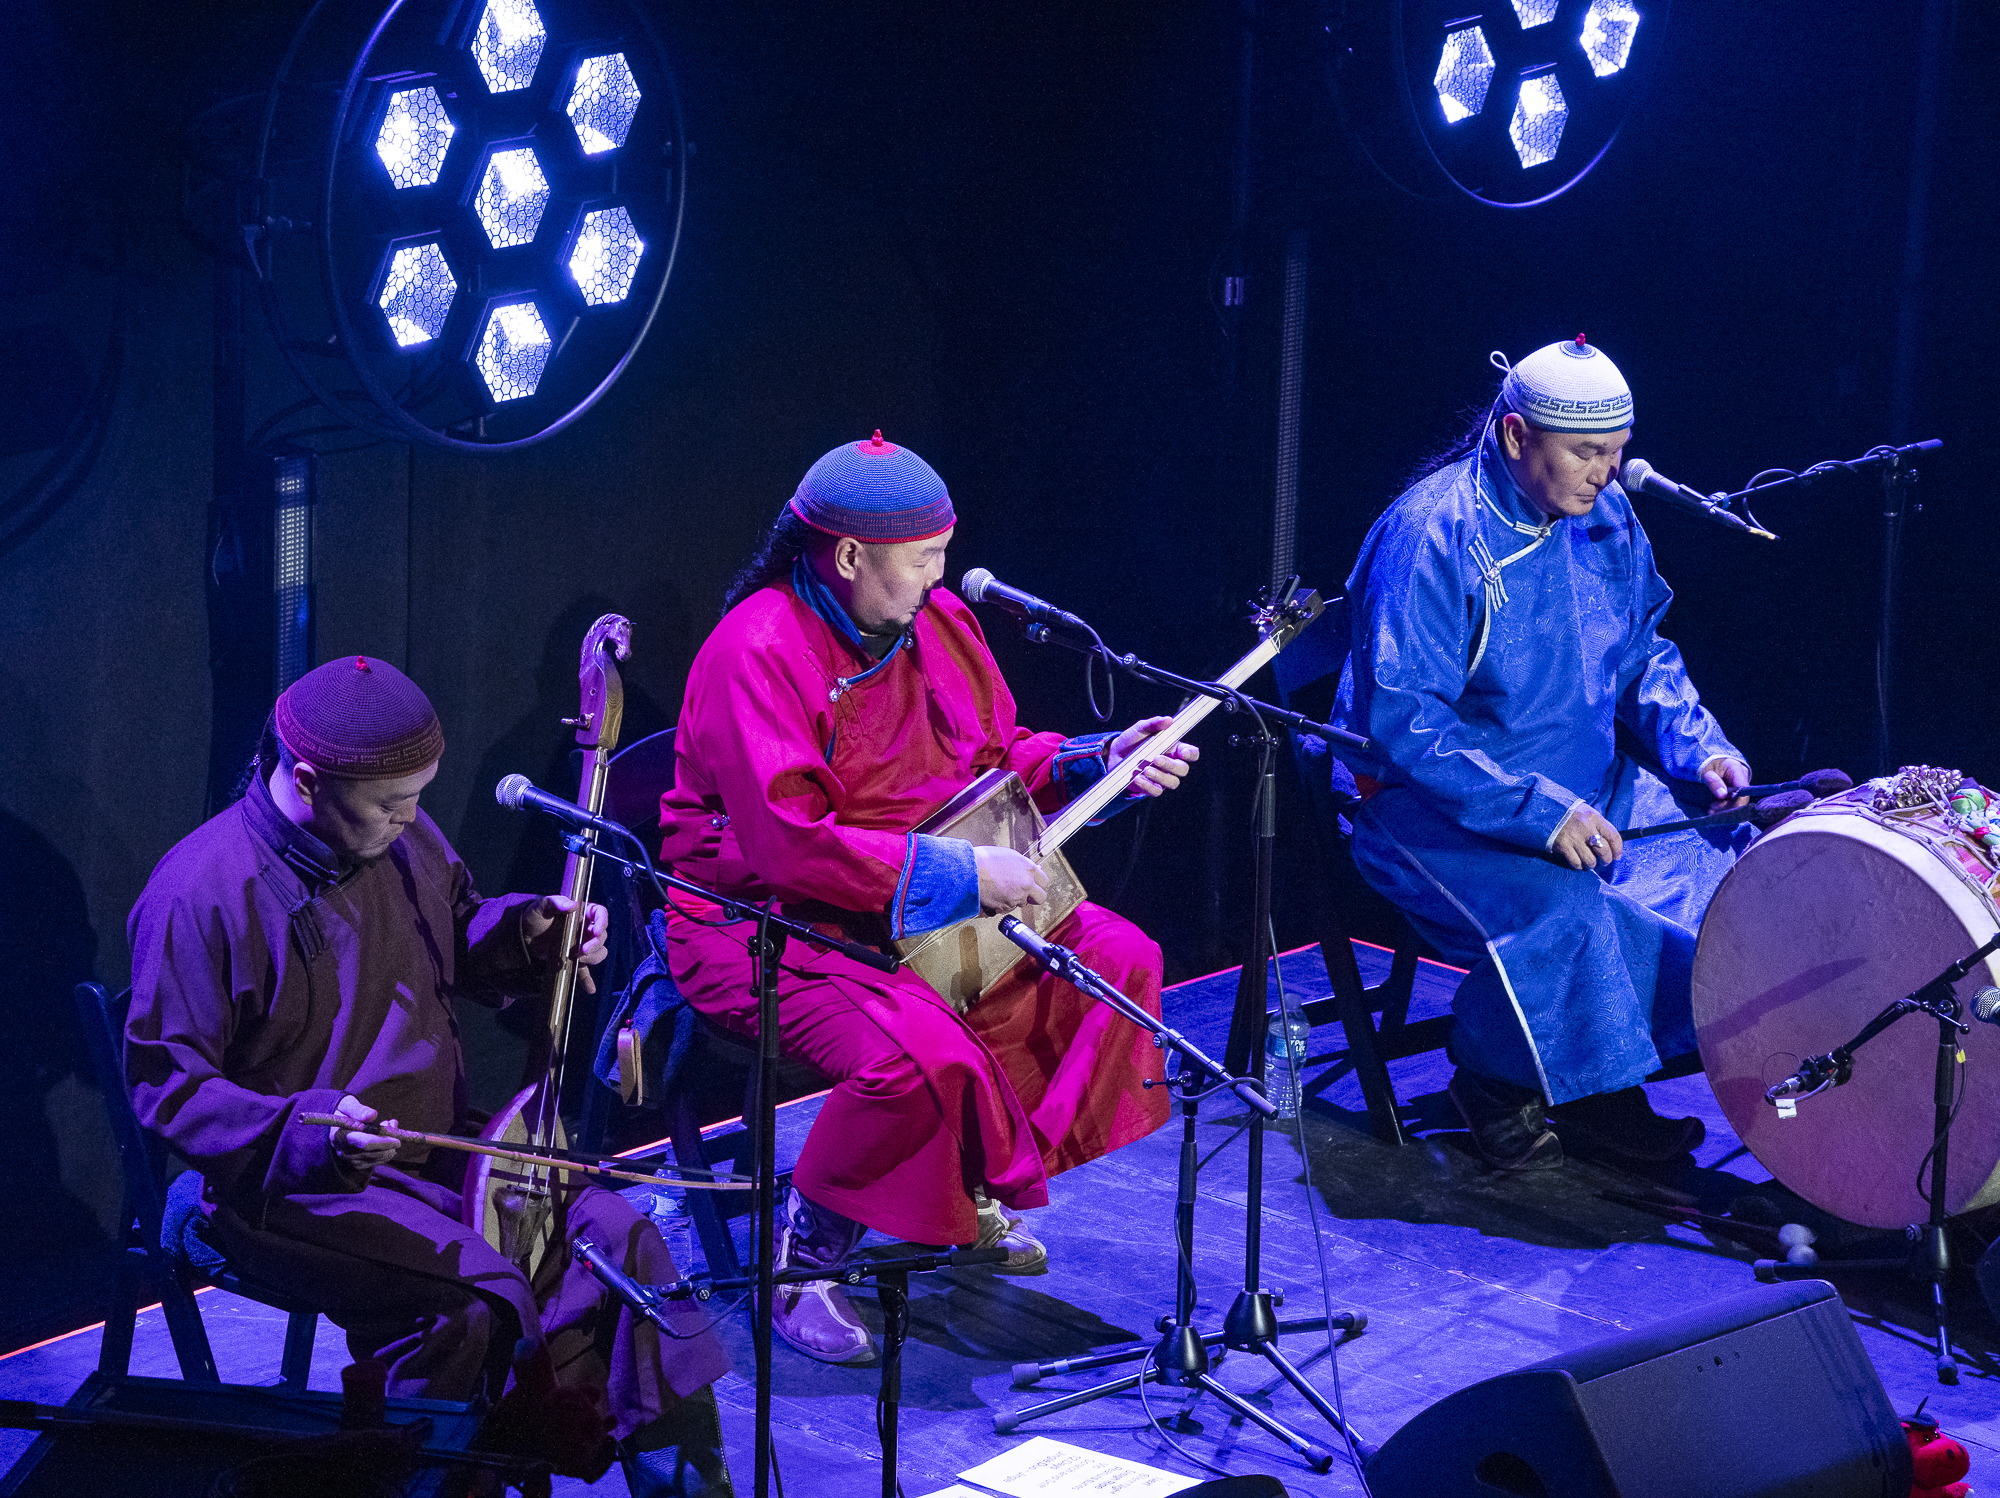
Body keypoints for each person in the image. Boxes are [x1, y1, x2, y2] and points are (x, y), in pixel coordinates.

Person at [126, 655, 732, 1496]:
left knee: (619, 1240)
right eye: (390, 804)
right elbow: (169, 1089)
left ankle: (690, 1492)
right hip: (281, 1186)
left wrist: (532, 932)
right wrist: (308, 1130)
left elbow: (457, 931)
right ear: (306, 780)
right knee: (468, 1300)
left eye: (418, 796)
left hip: (438, 1151)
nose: (411, 818)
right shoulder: (200, 892)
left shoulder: (401, 836)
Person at [659, 431, 1198, 1363]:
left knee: (1114, 961)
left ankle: (971, 1178)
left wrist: (1097, 759)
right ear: (850, 554)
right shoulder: (757, 649)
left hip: (915, 900)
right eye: (922, 559)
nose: (938, 577)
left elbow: (995, 760)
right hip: (769, 922)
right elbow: (789, 845)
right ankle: (810, 1250)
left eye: (942, 553)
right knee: (918, 1054)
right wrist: (960, 874)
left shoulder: (941, 622)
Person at [1331, 337, 1752, 1171]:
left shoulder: (1604, 514)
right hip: (1433, 802)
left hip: (1582, 782)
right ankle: (1495, 1080)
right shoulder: (1435, 533)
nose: (1607, 473)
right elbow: (1403, 721)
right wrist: (1541, 811)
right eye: (1588, 453)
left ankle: (1596, 1083)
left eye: (1617, 452)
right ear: (1518, 436)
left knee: (1731, 874)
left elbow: (1639, 651)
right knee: (1570, 913)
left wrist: (1699, 748)